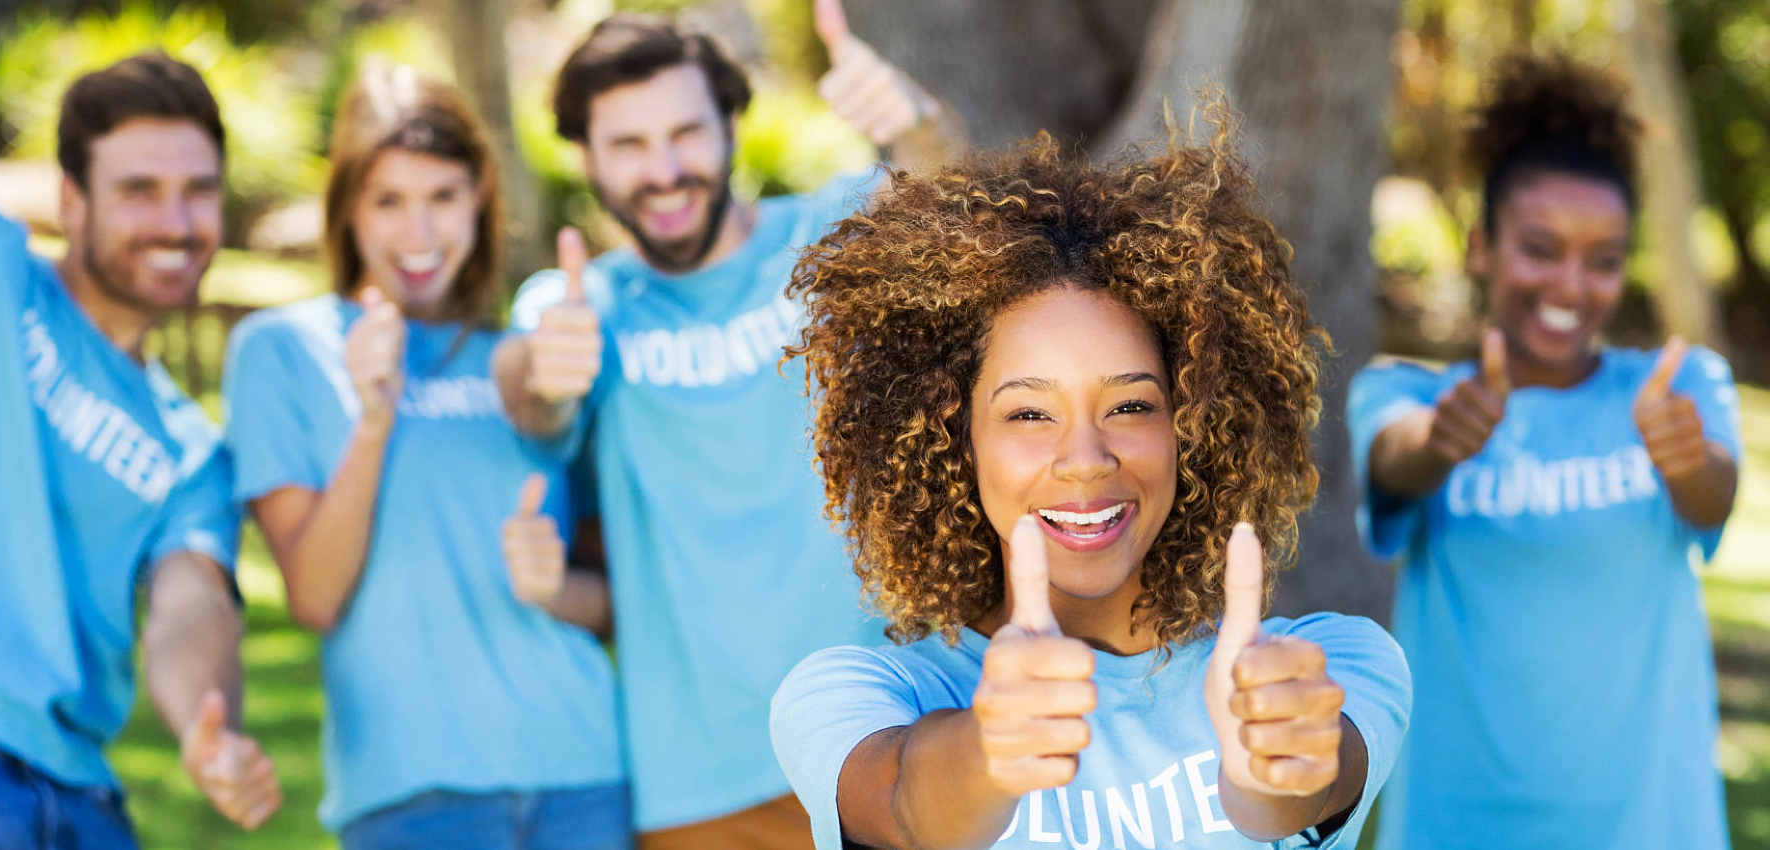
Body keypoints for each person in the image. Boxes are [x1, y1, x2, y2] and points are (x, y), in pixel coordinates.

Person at [769, 131, 1412, 849]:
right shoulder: (856, 697)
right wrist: (988, 751)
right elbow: (906, 808)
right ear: (954, 437)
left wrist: (1273, 774)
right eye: (1029, 414)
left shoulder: (1332, 666)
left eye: (1131, 406)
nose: (1084, 459)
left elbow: (1294, 798)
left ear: (1192, 424)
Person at [491, 3, 963, 846]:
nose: (665, 170)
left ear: (732, 123)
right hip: (702, 786)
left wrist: (919, 127)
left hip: (896, 726)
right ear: (585, 158)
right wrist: (545, 373)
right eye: (629, 145)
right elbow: (529, 387)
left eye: (685, 133)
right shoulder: (579, 307)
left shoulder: (834, 233)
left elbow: (958, 204)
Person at [0, 2, 280, 846]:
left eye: (198, 191)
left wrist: (208, 724)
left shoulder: (192, 451)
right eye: (140, 191)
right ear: (72, 201)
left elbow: (191, 606)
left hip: (77, 803)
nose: (176, 223)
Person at [221, 64, 628, 850]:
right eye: (389, 201)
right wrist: (372, 420)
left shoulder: (529, 361)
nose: (420, 234)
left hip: (584, 775)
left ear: (480, 195)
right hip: (413, 799)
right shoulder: (283, 350)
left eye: (442, 197)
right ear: (347, 210)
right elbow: (313, 596)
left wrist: (553, 590)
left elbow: (610, 602)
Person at [1348, 55, 1741, 848]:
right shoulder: (1404, 397)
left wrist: (1688, 457)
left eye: (1603, 259)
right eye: (1539, 247)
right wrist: (1439, 440)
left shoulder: (1678, 388)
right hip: (1459, 825)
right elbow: (1396, 462)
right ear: (1480, 246)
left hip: (1650, 825)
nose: (1572, 284)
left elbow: (1716, 496)